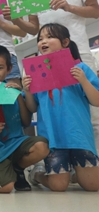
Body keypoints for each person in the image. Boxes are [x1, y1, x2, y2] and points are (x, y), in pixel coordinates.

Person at [17, 0, 99, 154]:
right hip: (47, 62)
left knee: (91, 114)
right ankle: (62, 163)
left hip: (77, 53)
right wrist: (15, 19)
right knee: (53, 112)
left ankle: (92, 163)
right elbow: (33, 29)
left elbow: (95, 10)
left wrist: (69, 7)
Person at [23, 23, 99, 192]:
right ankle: (37, 175)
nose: (43, 41)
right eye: (40, 39)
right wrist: (27, 90)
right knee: (58, 186)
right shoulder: (35, 73)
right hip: (53, 138)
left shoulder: (80, 68)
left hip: (79, 136)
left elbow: (96, 101)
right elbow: (32, 108)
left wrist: (83, 81)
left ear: (65, 42)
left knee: (93, 185)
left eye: (50, 37)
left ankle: (75, 173)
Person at [0, 45, 49, 193]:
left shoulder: (12, 90)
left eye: (0, 68)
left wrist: (18, 95)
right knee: (6, 189)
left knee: (42, 146)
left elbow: (26, 122)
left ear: (9, 69)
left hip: (15, 142)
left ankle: (17, 169)